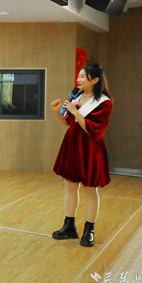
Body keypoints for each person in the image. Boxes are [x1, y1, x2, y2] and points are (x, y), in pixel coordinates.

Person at [50, 63, 113, 247]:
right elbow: (70, 123)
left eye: (83, 76)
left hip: (90, 148)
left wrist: (75, 112)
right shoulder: (77, 96)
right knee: (70, 186)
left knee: (90, 189)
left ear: (95, 80)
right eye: (78, 76)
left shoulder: (104, 102)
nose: (78, 79)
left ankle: (89, 230)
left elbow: (94, 130)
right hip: (72, 145)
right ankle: (68, 226)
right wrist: (59, 113)